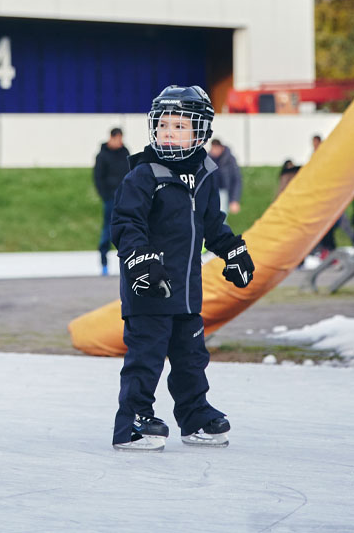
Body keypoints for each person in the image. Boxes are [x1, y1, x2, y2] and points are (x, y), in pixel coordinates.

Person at [110, 85, 255, 452]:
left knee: (192, 360)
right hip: (150, 289)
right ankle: (133, 421)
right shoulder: (143, 175)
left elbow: (212, 224)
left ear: (201, 131)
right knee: (146, 360)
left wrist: (232, 250)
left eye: (179, 126)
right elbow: (127, 225)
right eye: (163, 125)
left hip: (187, 292)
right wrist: (142, 263)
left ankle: (195, 417)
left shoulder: (206, 172)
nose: (169, 132)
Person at [92, 128, 130, 274]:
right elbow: (98, 177)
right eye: (118, 139)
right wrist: (106, 195)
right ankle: (104, 262)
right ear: (112, 138)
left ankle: (128, 262)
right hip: (110, 199)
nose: (120, 142)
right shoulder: (102, 155)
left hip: (124, 197)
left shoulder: (125, 153)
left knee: (127, 228)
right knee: (107, 229)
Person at [208, 138, 242, 216]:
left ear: (221, 147)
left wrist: (234, 199)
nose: (215, 151)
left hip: (224, 191)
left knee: (221, 216)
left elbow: (236, 180)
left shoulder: (230, 159)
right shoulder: (208, 159)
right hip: (211, 192)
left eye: (216, 148)